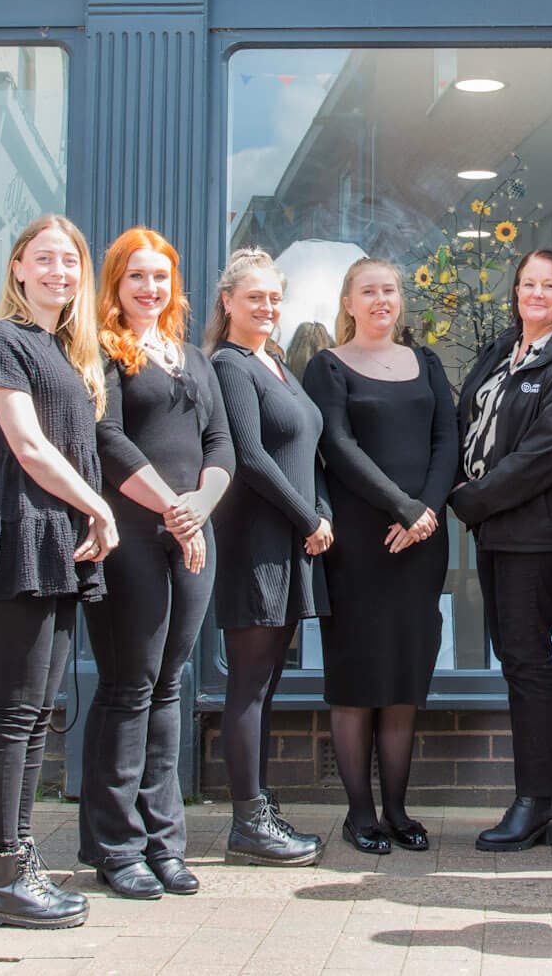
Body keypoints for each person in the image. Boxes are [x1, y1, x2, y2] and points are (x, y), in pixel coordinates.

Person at [0, 214, 114, 930]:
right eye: (44, 259)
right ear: (16, 268)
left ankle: (20, 858)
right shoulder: (4, 339)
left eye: (70, 261)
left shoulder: (64, 350)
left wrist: (88, 515)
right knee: (16, 709)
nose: (59, 272)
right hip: (19, 531)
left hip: (55, 537)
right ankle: (2, 876)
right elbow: (29, 446)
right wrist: (100, 507)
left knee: (39, 710)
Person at [76, 228, 232, 901]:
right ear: (115, 282)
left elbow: (221, 441)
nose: (150, 288)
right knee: (128, 688)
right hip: (132, 535)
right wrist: (174, 509)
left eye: (161, 277)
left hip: (191, 534)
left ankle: (165, 842)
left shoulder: (193, 357)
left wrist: (199, 506)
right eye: (136, 276)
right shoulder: (101, 350)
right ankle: (117, 846)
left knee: (170, 685)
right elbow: (105, 438)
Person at [302, 257, 460, 854]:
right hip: (359, 544)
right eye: (367, 291)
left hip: (421, 542)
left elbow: (449, 439)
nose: (380, 300)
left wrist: (425, 512)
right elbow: (337, 448)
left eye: (389, 290)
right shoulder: (329, 367)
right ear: (348, 302)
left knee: (403, 677)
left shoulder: (428, 363)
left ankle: (397, 809)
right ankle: (360, 814)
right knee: (358, 679)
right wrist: (401, 508)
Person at [449, 248, 552, 852]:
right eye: (527, 284)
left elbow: (546, 451)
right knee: (522, 655)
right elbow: (468, 421)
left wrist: (472, 499)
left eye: (549, 285)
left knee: (525, 659)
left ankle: (536, 802)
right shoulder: (500, 349)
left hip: (535, 529)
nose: (535, 294)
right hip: (495, 527)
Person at [209, 248, 333, 866]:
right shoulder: (231, 365)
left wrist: (322, 515)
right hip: (257, 546)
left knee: (267, 684)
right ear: (227, 302)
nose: (267, 307)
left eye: (274, 298)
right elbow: (251, 458)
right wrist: (309, 518)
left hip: (291, 545)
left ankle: (257, 805)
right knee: (250, 688)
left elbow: (309, 451)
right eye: (254, 297)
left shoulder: (275, 364)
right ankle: (248, 823)